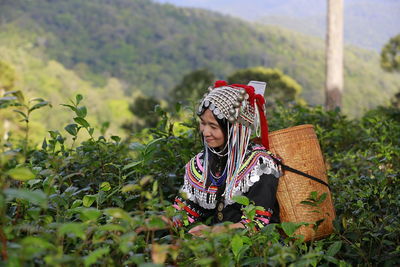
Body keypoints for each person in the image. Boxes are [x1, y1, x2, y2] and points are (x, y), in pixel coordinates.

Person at [173, 80, 281, 236]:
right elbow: (185, 213)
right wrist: (149, 223)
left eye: (213, 126)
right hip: (219, 248)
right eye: (203, 123)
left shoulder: (260, 165)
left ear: (235, 129)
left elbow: (257, 224)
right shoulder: (205, 162)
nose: (205, 132)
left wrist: (213, 232)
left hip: (259, 252)